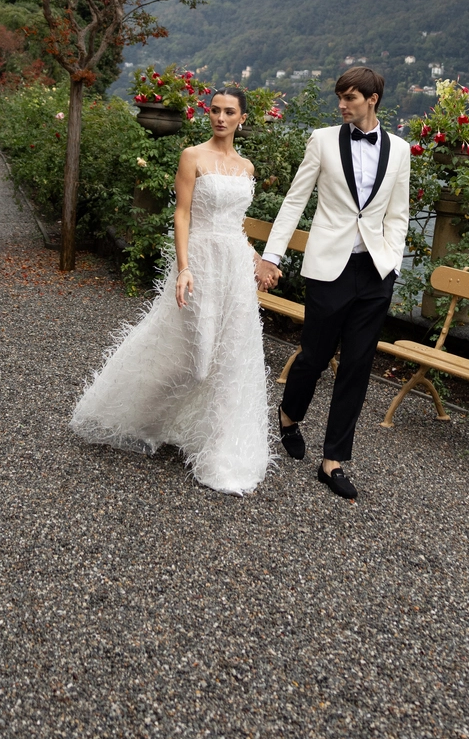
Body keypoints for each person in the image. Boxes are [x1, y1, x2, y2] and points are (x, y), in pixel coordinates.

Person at [69, 86, 271, 495]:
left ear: (242, 118)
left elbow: (236, 226)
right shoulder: (192, 156)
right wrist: (183, 268)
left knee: (229, 360)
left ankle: (216, 450)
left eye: (229, 112)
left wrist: (257, 259)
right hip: (199, 263)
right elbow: (181, 214)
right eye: (214, 110)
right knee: (195, 359)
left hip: (233, 267)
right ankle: (142, 419)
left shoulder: (246, 167)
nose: (219, 117)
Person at [259, 67, 410, 500]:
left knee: (358, 366)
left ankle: (333, 461)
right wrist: (272, 255)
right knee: (314, 355)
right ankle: (289, 415)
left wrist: (392, 261)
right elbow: (295, 200)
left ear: (373, 99)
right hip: (329, 268)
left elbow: (397, 213)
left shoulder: (399, 150)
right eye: (340, 97)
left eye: (350, 98)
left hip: (375, 272)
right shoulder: (323, 140)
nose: (342, 105)